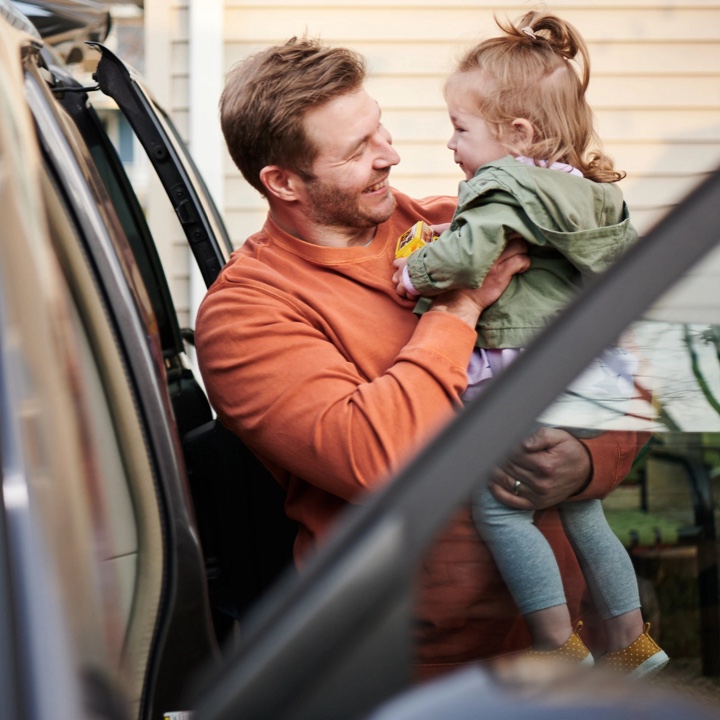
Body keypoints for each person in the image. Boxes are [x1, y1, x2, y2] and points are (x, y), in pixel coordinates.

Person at [194, 33, 648, 681]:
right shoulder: (249, 314)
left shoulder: (459, 221)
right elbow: (380, 457)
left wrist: (586, 461)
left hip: (572, 653)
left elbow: (622, 368)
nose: (392, 156)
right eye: (358, 151)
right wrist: (458, 308)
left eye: (380, 131)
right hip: (414, 670)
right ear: (283, 182)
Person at [390, 12, 668, 678]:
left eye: (460, 127)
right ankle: (632, 641)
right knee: (583, 509)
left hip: (518, 367)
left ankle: (558, 645)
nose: (450, 143)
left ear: (516, 134)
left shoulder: (501, 186)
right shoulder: (591, 192)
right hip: (587, 372)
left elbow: (468, 258)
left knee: (502, 505)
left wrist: (414, 272)